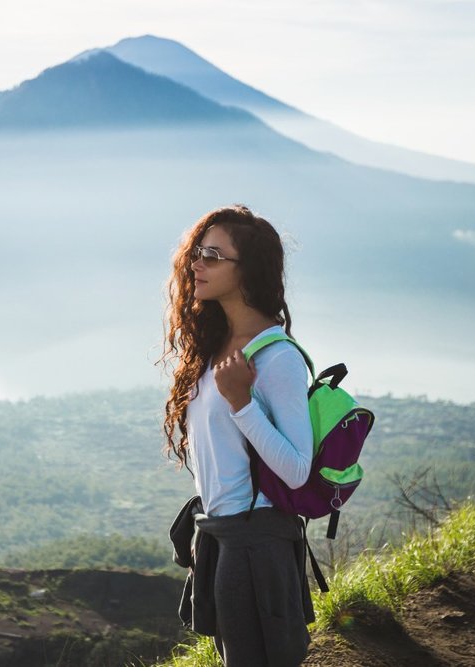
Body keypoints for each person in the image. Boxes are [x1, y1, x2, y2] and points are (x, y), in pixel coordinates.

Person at [163, 204, 314, 666]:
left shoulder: (277, 357)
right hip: (223, 534)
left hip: (258, 541)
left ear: (247, 269)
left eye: (212, 255)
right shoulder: (215, 347)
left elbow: (296, 471)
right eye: (197, 253)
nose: (196, 264)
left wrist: (242, 404)